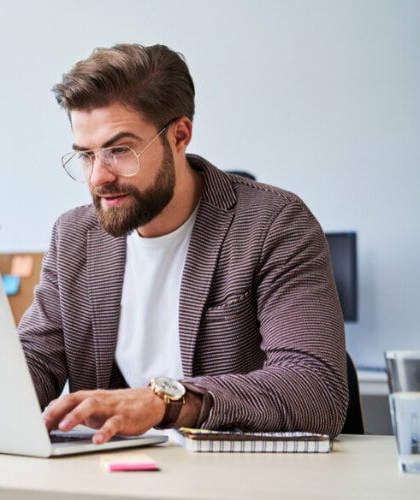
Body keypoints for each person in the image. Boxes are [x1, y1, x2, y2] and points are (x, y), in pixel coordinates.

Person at [18, 43, 348, 444]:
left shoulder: (274, 225)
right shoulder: (73, 236)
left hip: (237, 478)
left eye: (119, 150)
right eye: (86, 155)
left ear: (179, 135)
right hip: (112, 475)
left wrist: (164, 403)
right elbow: (34, 361)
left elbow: (316, 389)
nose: (97, 178)